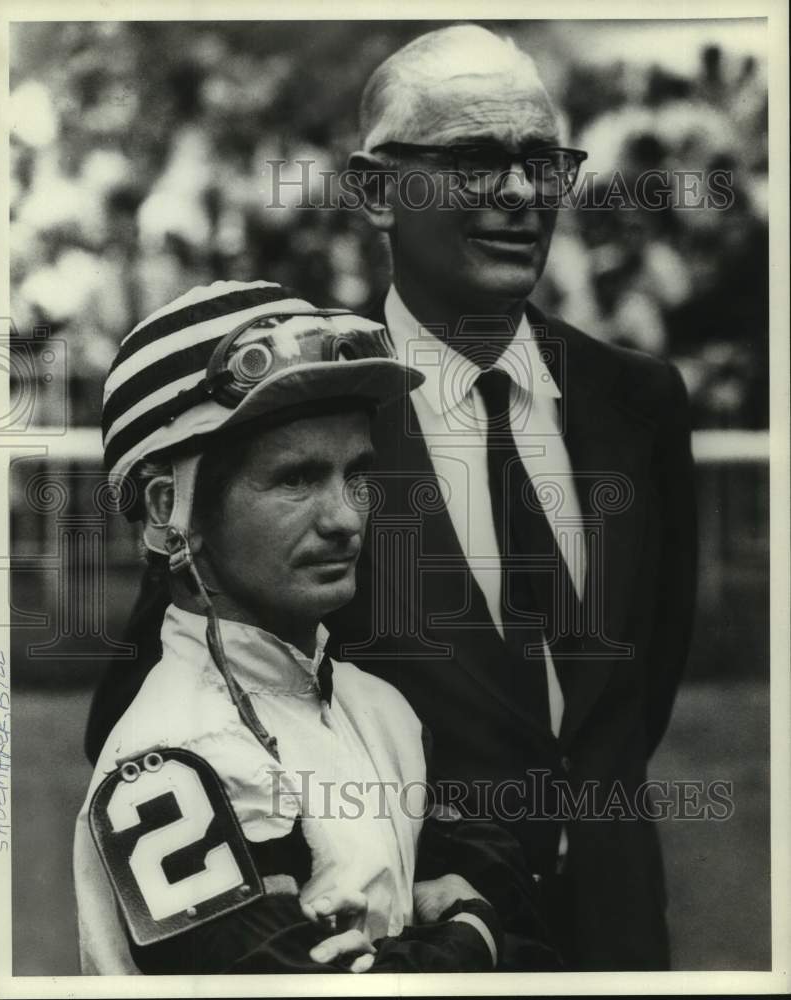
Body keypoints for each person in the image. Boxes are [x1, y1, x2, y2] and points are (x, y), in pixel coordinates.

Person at [85, 25, 698, 971]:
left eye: (543, 161)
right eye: (474, 160)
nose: (521, 193)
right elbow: (184, 663)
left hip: (617, 923)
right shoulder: (300, 412)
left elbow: (633, 689)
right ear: (376, 190)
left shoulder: (641, 400)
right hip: (401, 931)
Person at [74, 279, 560, 975]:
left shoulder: (382, 708)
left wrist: (446, 940)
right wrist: (472, 932)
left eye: (354, 474)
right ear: (165, 509)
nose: (346, 518)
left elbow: (531, 937)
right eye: (295, 479)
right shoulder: (162, 764)